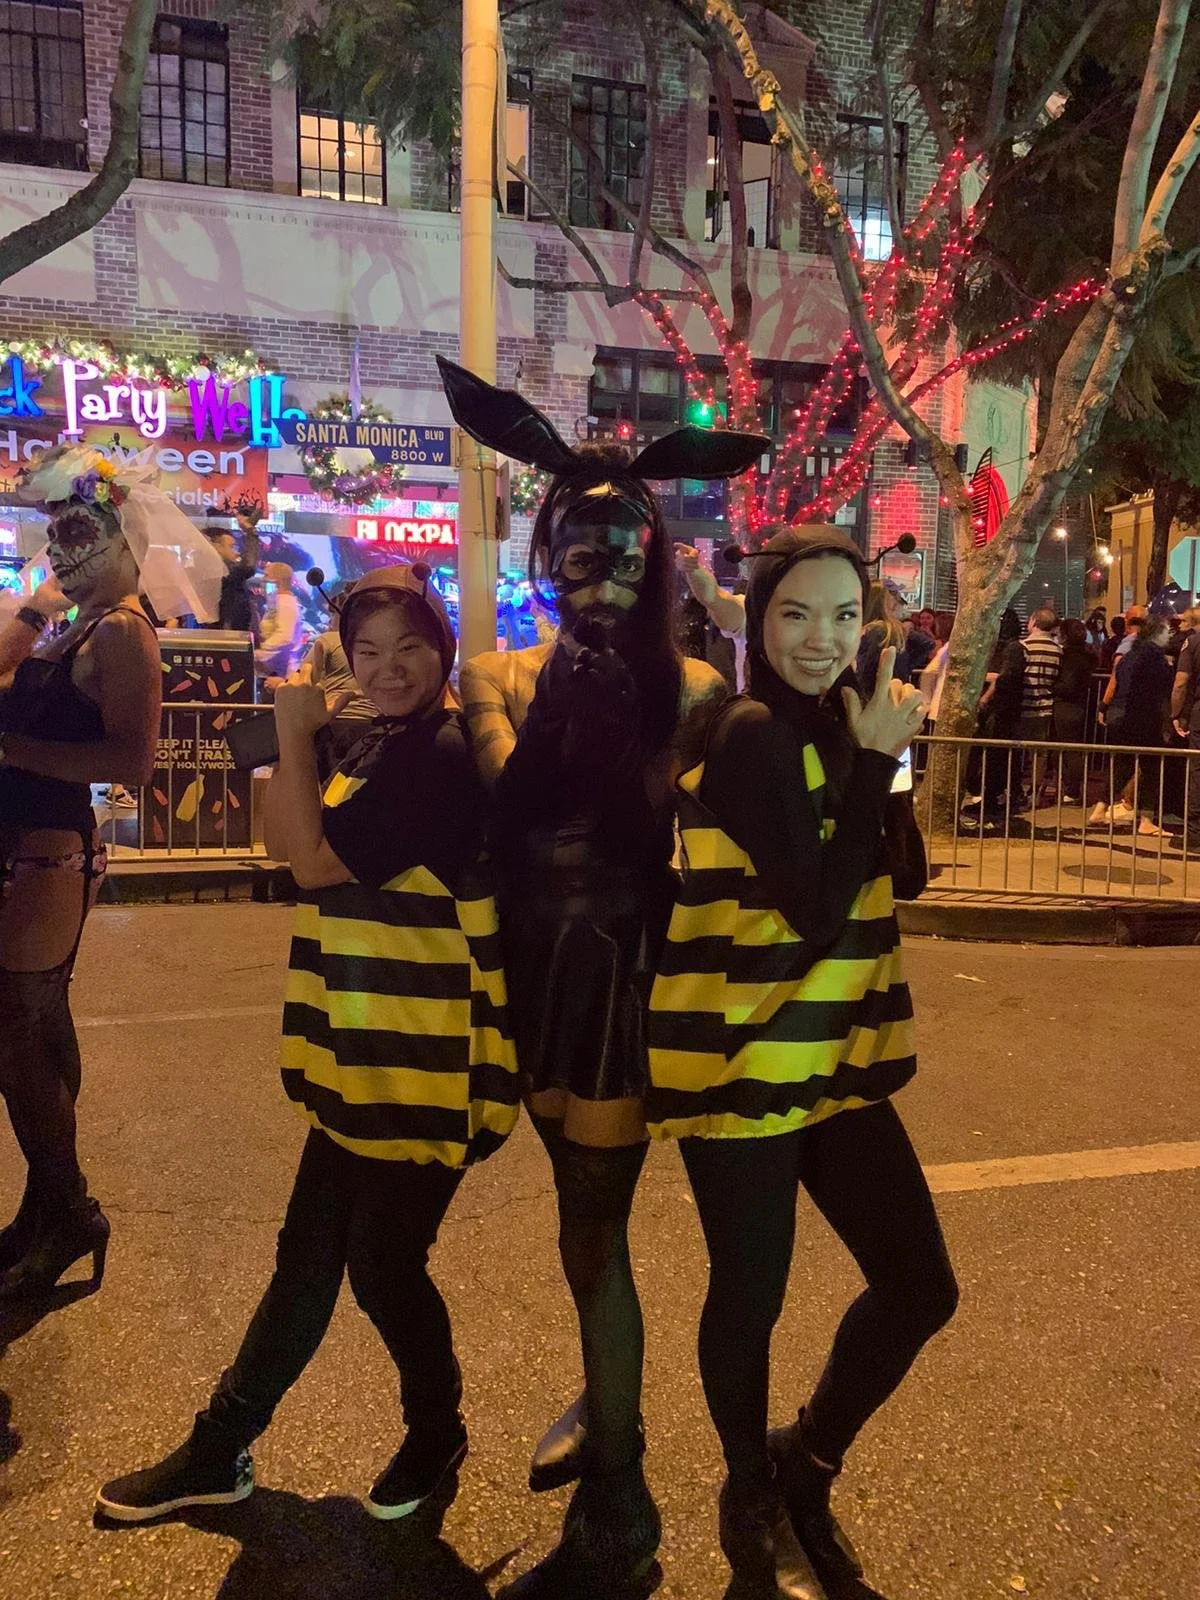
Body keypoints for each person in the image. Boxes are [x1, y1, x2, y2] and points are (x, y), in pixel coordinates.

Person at [95, 564, 520, 1523]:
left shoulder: (438, 752)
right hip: (359, 1047)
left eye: (411, 646)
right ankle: (222, 1444)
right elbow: (282, 837)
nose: (390, 668)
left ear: (443, 649)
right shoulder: (370, 744)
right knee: (309, 1256)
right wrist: (298, 746)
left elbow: (318, 857)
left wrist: (290, 733)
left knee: (380, 1265)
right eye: (367, 650)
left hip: (429, 1056)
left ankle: (433, 1429)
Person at [439, 353, 765, 1600]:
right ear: (544, 553)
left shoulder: (685, 685)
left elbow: (652, 837)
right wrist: (563, 701)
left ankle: (622, 1500)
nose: (601, 570)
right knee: (586, 1231)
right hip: (529, 975)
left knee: (599, 1224)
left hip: (627, 977)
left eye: (625, 550)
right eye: (579, 547)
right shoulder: (499, 674)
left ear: (655, 563)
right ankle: (605, 1388)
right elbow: (506, 816)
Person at [645, 525, 956, 1600]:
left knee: (920, 1285)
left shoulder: (839, 720)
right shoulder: (746, 735)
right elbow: (818, 911)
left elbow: (900, 874)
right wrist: (872, 757)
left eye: (842, 617)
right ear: (754, 619)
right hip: (741, 1062)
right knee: (751, 1295)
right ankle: (748, 1487)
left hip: (834, 1057)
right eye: (795, 615)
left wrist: (891, 754)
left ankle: (805, 1461)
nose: (821, 640)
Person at [0, 444, 218, 1297]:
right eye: (56, 535)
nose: (63, 551)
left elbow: (130, 762)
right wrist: (38, 604)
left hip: (47, 854)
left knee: (18, 1039)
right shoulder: (73, 624)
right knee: (37, 1030)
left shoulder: (125, 631)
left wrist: (10, 745)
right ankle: (45, 1208)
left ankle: (70, 1209)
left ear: (124, 540)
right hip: (25, 845)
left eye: (81, 534)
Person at [1091, 615, 1174, 834]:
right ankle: (1146, 820)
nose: (1169, 635)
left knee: (1122, 764)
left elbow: (1117, 683)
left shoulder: (1128, 657)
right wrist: (1166, 721)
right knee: (1152, 767)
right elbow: (1161, 693)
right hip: (1143, 717)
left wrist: (1105, 707)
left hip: (1120, 714)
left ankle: (1100, 808)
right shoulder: (1155, 659)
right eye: (1166, 631)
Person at [1013, 607, 1062, 807]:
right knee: (1039, 753)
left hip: (1024, 705)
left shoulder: (1023, 646)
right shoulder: (1058, 650)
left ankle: (1015, 790)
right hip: (1046, 706)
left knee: (1016, 750)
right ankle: (1035, 790)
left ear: (1033, 621)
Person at [1052, 617, 1098, 804]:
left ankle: (1071, 790)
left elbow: (1068, 685)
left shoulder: (1069, 657)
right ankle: (1071, 788)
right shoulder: (1087, 655)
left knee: (1069, 750)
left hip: (1066, 705)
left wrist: (1051, 686)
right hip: (1078, 706)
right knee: (1073, 748)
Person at [205, 515, 261, 635]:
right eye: (231, 547)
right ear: (215, 546)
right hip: (227, 635)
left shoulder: (201, 570)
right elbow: (248, 566)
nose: (236, 553)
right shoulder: (221, 574)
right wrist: (251, 532)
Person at [1171, 617, 1200, 844]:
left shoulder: (1194, 642)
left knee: (1197, 769)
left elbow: (1180, 683)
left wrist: (1176, 714)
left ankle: (1194, 833)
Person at [255, 562, 305, 685]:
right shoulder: (276, 602)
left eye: (266, 575)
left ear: (276, 581)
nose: (262, 579)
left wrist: (259, 653)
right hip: (272, 670)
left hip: (283, 674)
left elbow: (284, 636)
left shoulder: (286, 603)